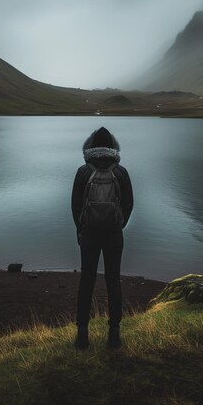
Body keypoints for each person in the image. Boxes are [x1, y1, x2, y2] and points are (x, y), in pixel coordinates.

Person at [71, 126, 133, 350]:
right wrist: (119, 224)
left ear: (91, 146)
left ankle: (82, 335)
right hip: (113, 235)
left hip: (89, 234)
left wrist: (81, 229)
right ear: (113, 147)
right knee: (113, 281)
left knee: (86, 281)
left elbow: (75, 205)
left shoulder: (83, 171)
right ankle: (114, 335)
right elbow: (128, 204)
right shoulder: (121, 172)